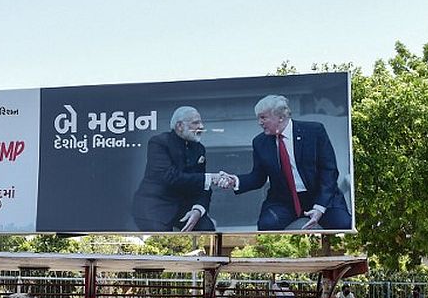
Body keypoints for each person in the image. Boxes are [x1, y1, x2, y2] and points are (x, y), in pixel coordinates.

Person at [217, 94, 352, 230]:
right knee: (266, 225)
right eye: (258, 118)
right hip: (284, 201)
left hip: (321, 196)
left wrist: (319, 207)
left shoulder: (314, 131)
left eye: (263, 117)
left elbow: (329, 171)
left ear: (281, 117)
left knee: (343, 223)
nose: (259, 122)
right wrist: (234, 181)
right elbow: (258, 178)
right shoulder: (260, 142)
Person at [130, 106, 219, 231]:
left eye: (200, 122)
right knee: (163, 245)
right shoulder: (159, 142)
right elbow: (169, 176)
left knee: (207, 229)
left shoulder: (199, 149)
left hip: (182, 207)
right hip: (155, 207)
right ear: (179, 126)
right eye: (195, 123)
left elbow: (203, 186)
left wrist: (198, 209)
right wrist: (209, 177)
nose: (201, 126)